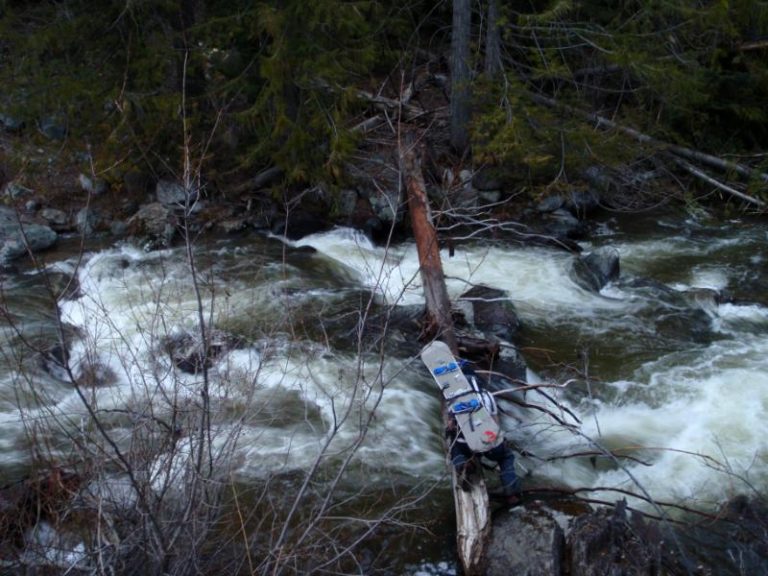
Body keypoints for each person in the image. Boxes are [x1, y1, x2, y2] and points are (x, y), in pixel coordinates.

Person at [444, 364, 522, 506]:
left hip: (466, 444)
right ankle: (511, 494)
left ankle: (463, 464)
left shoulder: (454, 399)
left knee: (455, 449)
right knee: (506, 457)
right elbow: (495, 423)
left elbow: (451, 425)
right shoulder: (488, 395)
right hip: (489, 443)